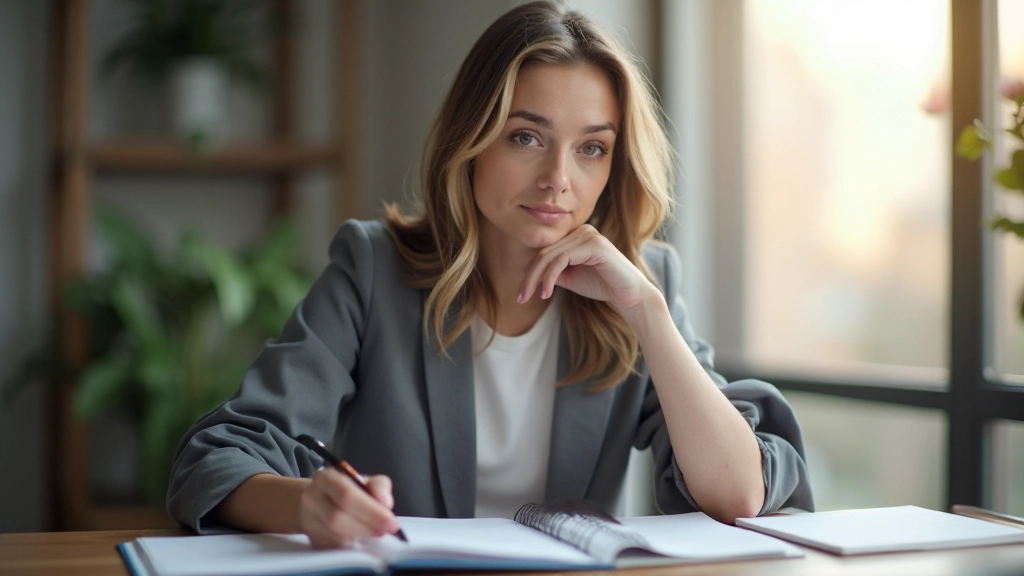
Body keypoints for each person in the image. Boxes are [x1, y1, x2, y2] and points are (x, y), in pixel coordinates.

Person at [167, 0, 813, 549]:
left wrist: (647, 312)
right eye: (526, 137)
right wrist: (308, 506)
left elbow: (739, 494)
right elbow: (217, 455)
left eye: (592, 148)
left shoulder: (644, 286)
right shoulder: (373, 270)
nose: (558, 179)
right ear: (471, 140)